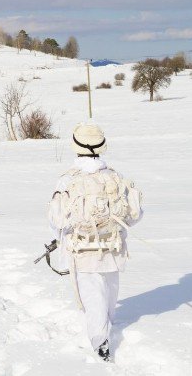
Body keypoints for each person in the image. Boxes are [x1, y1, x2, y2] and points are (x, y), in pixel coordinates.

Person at [47, 122, 143, 362]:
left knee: (93, 297)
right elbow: (134, 215)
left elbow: (57, 219)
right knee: (109, 293)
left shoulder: (67, 180)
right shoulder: (116, 177)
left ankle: (101, 343)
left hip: (82, 251)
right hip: (113, 249)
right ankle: (107, 331)